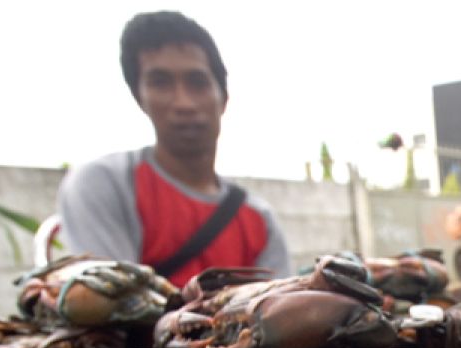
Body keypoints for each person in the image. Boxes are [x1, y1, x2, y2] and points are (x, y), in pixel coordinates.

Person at [57, 11, 290, 287]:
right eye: (161, 83)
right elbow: (108, 306)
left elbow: (282, 312)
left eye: (197, 82)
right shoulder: (104, 185)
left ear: (223, 98)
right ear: (139, 97)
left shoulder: (259, 220)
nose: (184, 103)